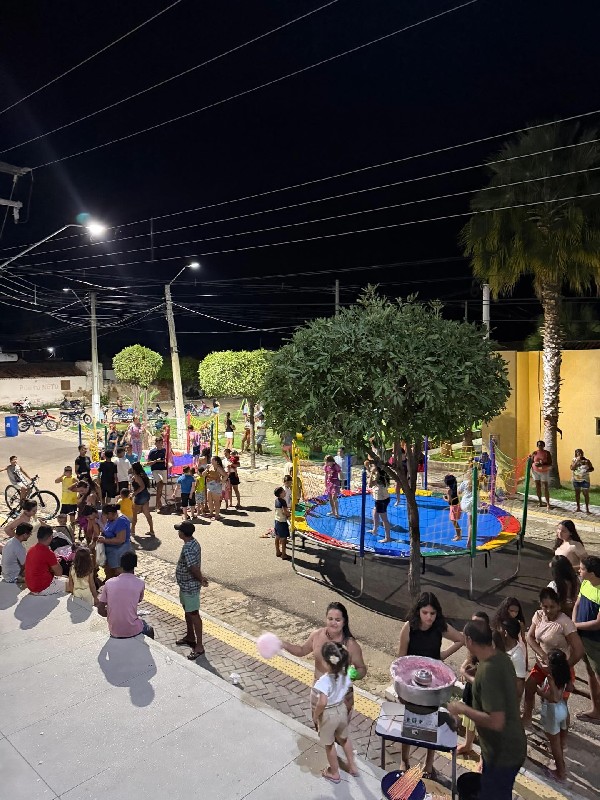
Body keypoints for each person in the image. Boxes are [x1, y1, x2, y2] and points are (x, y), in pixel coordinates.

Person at [448, 621, 527, 800]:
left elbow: (496, 722)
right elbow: (494, 689)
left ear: (469, 640)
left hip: (503, 754)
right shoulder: (501, 658)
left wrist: (463, 709)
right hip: (509, 747)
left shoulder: (488, 671)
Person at [398, 591, 464, 776]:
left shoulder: (440, 626)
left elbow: (460, 639)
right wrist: (401, 688)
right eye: (425, 613)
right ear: (418, 611)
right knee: (409, 721)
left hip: (433, 684)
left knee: (431, 722)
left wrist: (442, 656)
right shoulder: (409, 627)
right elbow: (400, 658)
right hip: (412, 684)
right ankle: (404, 760)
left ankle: (429, 763)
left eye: (432, 613)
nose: (429, 617)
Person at [282, 601, 367, 713]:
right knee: (317, 722)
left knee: (338, 724)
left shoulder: (350, 645)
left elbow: (362, 669)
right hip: (318, 691)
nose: (333, 623)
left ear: (344, 622)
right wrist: (284, 644)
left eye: (338, 620)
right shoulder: (317, 635)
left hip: (340, 696)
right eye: (330, 619)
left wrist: (354, 674)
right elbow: (301, 651)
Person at [522, 587, 584, 726]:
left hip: (559, 669)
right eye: (545, 606)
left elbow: (579, 650)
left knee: (560, 703)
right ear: (540, 605)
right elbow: (530, 637)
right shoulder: (538, 616)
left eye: (552, 607)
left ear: (559, 606)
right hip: (541, 665)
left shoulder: (565, 623)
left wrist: (563, 668)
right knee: (529, 687)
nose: (548, 610)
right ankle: (527, 717)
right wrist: (543, 655)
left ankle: (563, 732)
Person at [313, 641, 359, 783]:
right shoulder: (346, 675)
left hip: (329, 714)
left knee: (329, 744)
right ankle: (352, 767)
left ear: (327, 663)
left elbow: (322, 702)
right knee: (344, 739)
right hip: (342, 709)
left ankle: (334, 773)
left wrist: (316, 715)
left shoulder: (324, 681)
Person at [97, 551, 154, 638]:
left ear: (121, 565)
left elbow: (100, 610)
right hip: (133, 630)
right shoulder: (140, 583)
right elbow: (138, 600)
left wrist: (114, 616)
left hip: (114, 630)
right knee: (149, 630)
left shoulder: (109, 583)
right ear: (135, 565)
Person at [457, 611, 491, 757]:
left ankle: (485, 757)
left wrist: (466, 673)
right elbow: (470, 657)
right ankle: (468, 744)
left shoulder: (491, 644)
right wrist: (464, 667)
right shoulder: (473, 640)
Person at [174, 521, 208, 659]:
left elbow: (193, 567)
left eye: (179, 530)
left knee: (194, 614)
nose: (178, 532)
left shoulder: (188, 548)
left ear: (183, 533)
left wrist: (201, 579)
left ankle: (199, 646)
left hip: (189, 587)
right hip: (185, 586)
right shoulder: (194, 543)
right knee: (188, 611)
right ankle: (190, 636)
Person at [572, 555, 600, 723]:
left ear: (592, 573)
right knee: (590, 673)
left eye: (582, 569)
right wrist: (574, 623)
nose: (579, 571)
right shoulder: (585, 583)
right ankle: (596, 709)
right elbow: (577, 604)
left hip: (596, 642)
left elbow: (598, 623)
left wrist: (575, 625)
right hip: (583, 636)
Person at [536, 649, 571, 782]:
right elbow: (570, 688)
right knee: (559, 739)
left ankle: (560, 772)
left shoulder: (551, 678)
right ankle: (561, 758)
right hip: (563, 709)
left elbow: (554, 698)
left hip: (552, 711)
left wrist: (541, 692)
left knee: (554, 743)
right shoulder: (564, 674)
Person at [24, 525, 66, 595]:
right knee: (70, 584)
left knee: (64, 578)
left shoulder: (31, 549)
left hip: (31, 585)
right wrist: (55, 561)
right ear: (50, 537)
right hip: (41, 588)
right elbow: (59, 573)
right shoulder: (48, 553)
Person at [97, 504, 131, 579]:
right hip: (111, 551)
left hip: (119, 551)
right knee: (109, 570)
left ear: (110, 513)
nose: (106, 518)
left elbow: (120, 539)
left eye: (106, 516)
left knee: (118, 573)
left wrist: (104, 540)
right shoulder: (112, 519)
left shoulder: (121, 521)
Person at [500, 617, 527, 698]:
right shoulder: (500, 646)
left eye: (500, 629)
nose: (498, 631)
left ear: (505, 633)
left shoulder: (517, 656)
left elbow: (519, 689)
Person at [367, 461, 392, 543]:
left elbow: (370, 485)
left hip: (380, 499)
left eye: (372, 466)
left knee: (384, 519)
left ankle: (388, 537)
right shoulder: (383, 473)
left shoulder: (378, 475)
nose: (371, 467)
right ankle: (374, 529)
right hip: (385, 497)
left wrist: (371, 473)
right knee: (374, 511)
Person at [130, 462, 154, 536]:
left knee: (134, 514)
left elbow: (142, 486)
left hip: (140, 496)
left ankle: (132, 531)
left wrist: (134, 493)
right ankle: (151, 530)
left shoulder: (137, 477)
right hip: (146, 495)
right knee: (147, 514)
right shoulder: (142, 475)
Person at [146, 435, 169, 510]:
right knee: (160, 483)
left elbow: (168, 460)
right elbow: (148, 463)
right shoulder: (152, 452)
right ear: (155, 443)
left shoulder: (165, 450)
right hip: (155, 470)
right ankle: (157, 504)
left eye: (160, 442)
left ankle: (159, 503)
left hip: (163, 469)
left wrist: (165, 461)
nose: (159, 444)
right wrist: (156, 461)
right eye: (158, 442)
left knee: (161, 486)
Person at [570, 449, 594, 514]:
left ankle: (587, 509)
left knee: (586, 494)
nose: (580, 454)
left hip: (585, 480)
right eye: (578, 453)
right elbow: (572, 468)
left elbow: (592, 468)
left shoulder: (587, 460)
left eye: (581, 453)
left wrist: (587, 470)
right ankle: (578, 508)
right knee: (577, 494)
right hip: (576, 480)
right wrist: (577, 461)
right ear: (576, 454)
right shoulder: (574, 460)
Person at [531, 440, 552, 508]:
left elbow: (550, 462)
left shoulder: (547, 453)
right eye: (539, 445)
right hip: (535, 471)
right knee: (538, 486)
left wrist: (542, 464)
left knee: (545, 486)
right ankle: (540, 502)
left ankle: (548, 503)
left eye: (541, 445)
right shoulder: (535, 453)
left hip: (544, 471)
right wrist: (531, 457)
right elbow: (531, 461)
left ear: (544, 446)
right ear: (537, 446)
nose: (540, 446)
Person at [205, 456, 227, 520]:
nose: (211, 461)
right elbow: (203, 474)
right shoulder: (209, 466)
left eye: (212, 460)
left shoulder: (218, 468)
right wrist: (206, 469)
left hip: (216, 485)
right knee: (209, 500)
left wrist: (221, 481)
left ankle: (217, 515)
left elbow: (226, 475)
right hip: (209, 485)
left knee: (216, 501)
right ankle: (211, 513)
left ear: (216, 461)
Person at [273, 486, 291, 559]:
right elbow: (284, 511)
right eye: (283, 491)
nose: (285, 492)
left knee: (277, 536)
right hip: (282, 522)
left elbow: (280, 510)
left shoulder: (276, 500)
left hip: (276, 520)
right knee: (283, 539)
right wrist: (289, 514)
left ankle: (278, 551)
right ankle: (284, 554)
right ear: (280, 494)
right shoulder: (283, 501)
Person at [444, 474, 462, 541]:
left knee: (453, 521)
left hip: (453, 507)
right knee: (454, 520)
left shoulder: (449, 490)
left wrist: (444, 498)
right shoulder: (455, 488)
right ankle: (458, 533)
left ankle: (459, 535)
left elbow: (450, 501)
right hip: (458, 505)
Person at [323, 455, 341, 519]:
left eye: (327, 462)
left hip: (335, 483)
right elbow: (326, 475)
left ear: (330, 461)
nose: (325, 463)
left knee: (334, 498)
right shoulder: (326, 467)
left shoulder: (335, 466)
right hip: (329, 483)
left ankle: (337, 513)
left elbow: (340, 473)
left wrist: (342, 483)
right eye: (325, 462)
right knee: (330, 498)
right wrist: (325, 483)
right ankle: (333, 511)